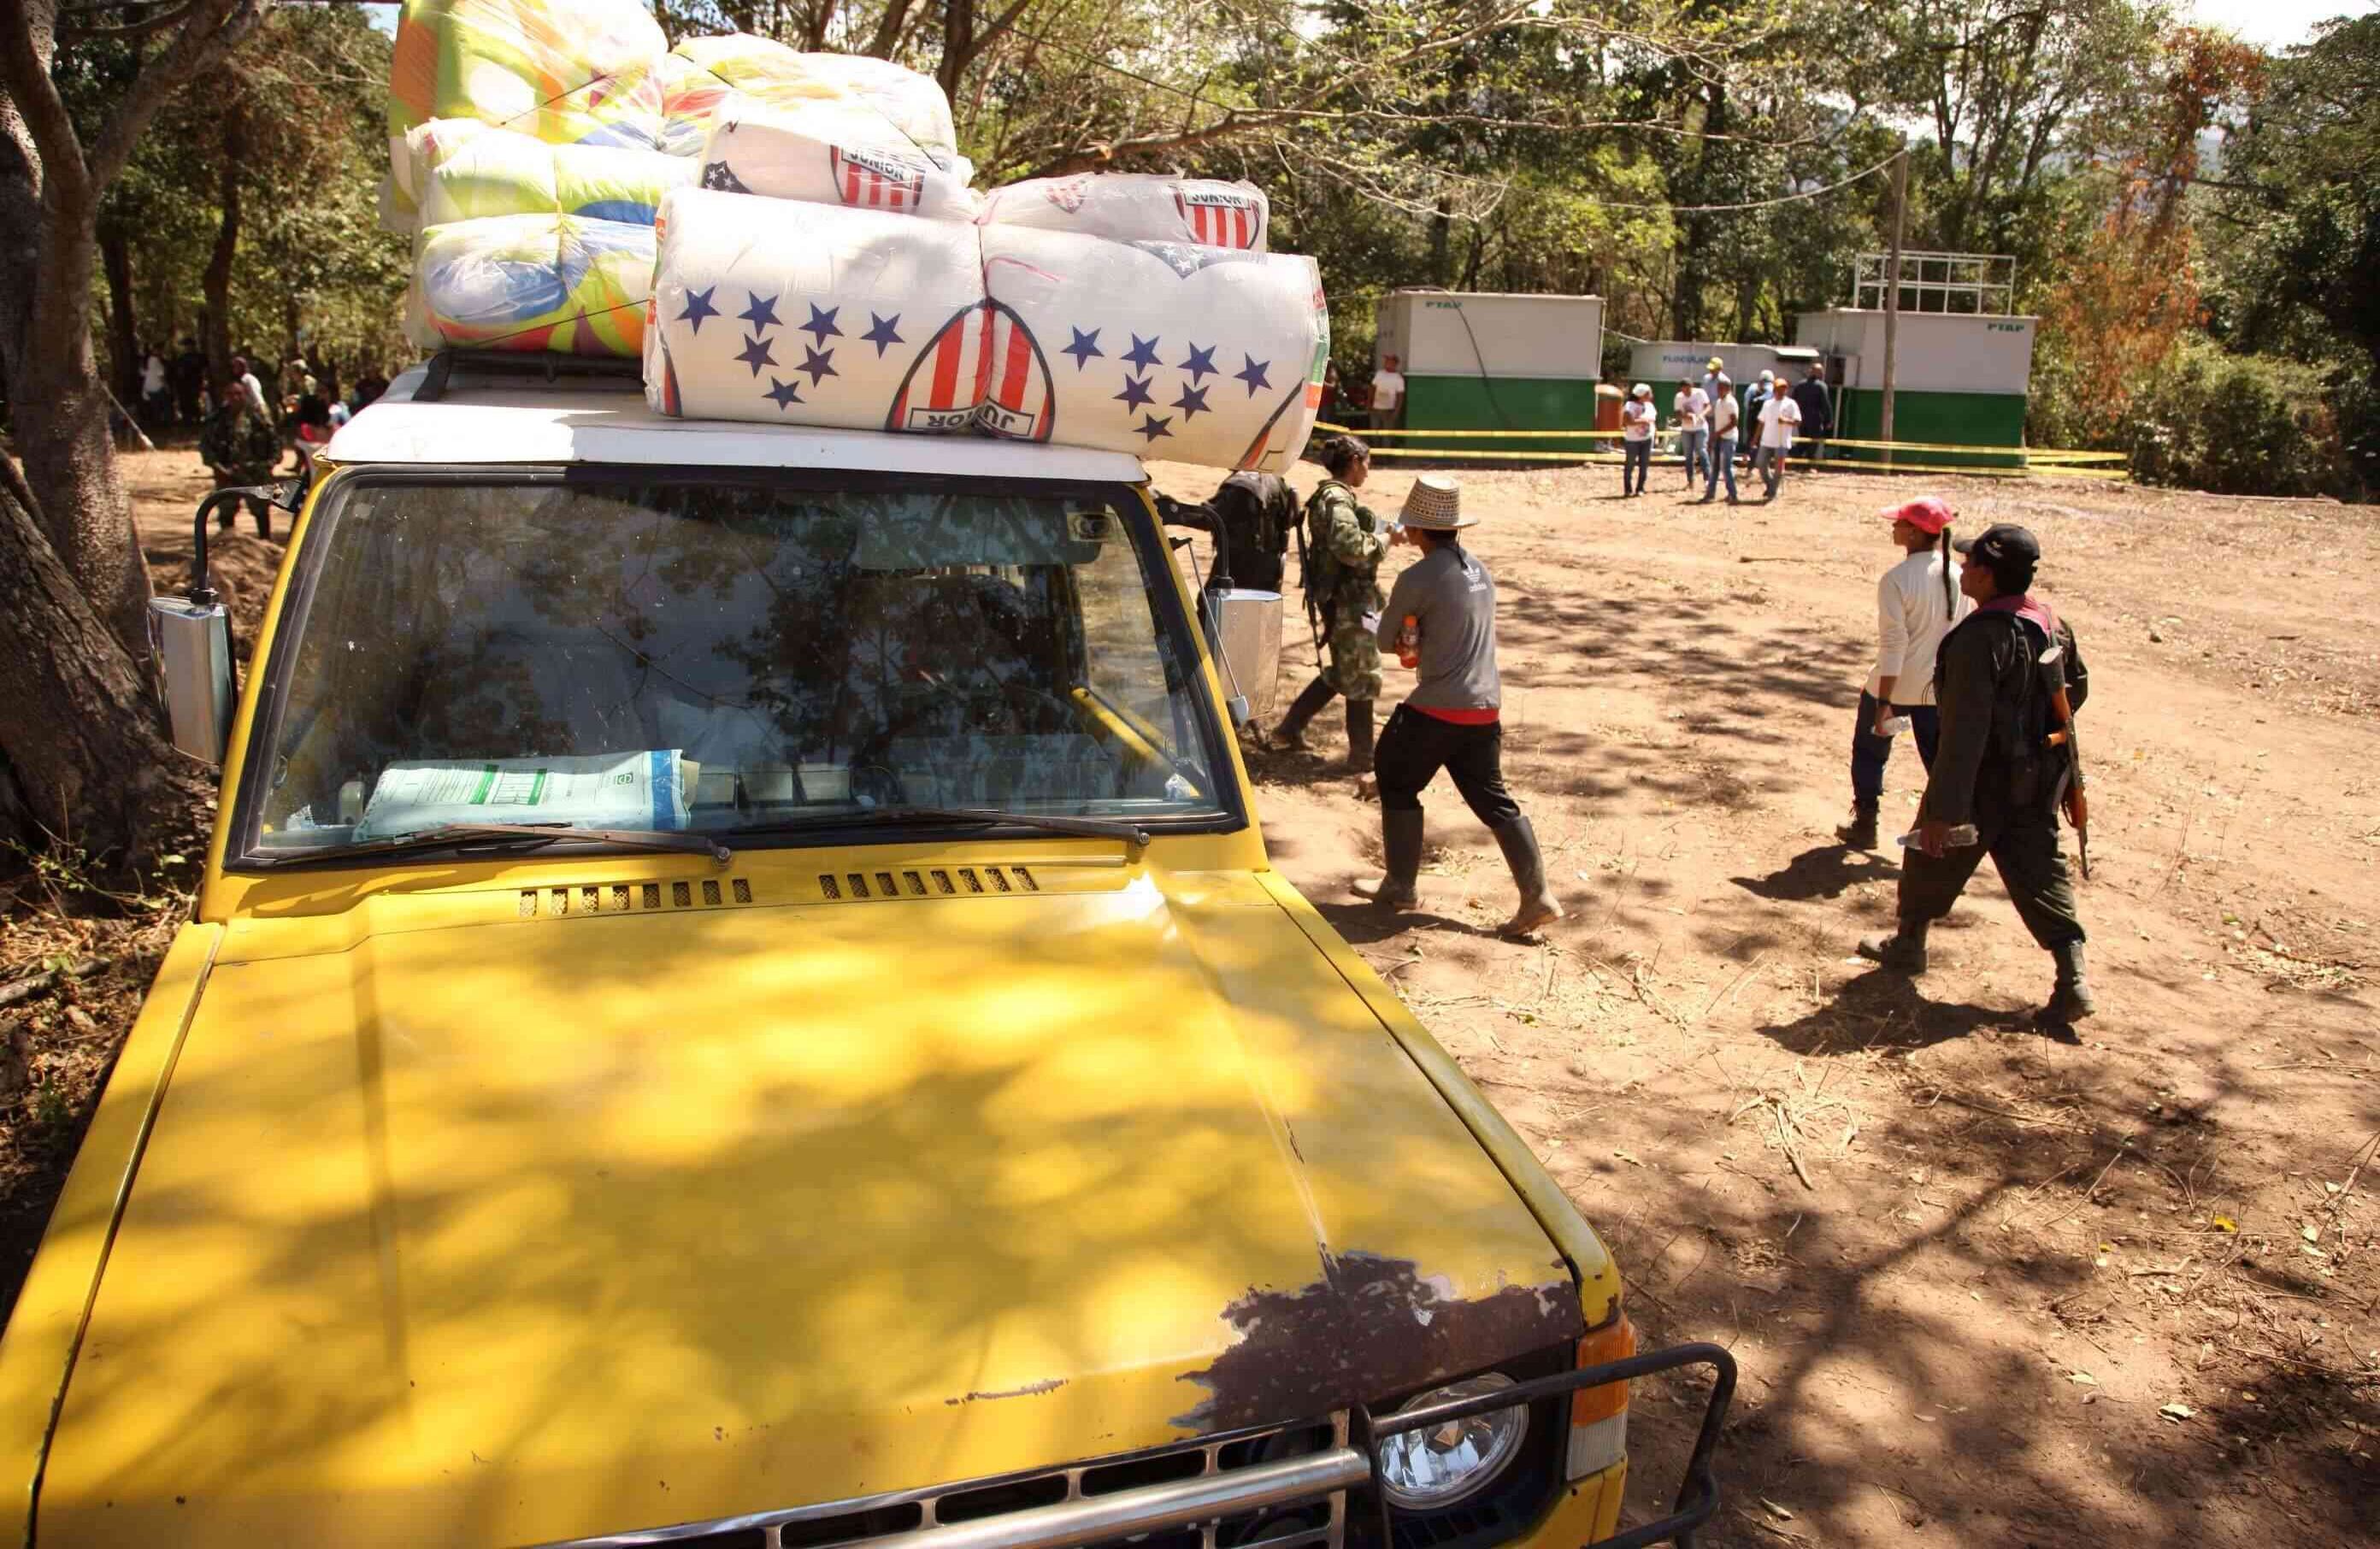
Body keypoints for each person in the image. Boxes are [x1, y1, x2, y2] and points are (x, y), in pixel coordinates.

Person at [1858, 523, 2095, 1025]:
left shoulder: (1978, 639)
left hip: (1980, 783)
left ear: (1987, 577)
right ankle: (2072, 978)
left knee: (1929, 856)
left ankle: (1908, 945)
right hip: (2035, 780)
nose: (1961, 569)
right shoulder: (2052, 623)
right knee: (2040, 872)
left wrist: (1944, 812)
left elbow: (1964, 734)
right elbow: (2076, 690)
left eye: (1970, 565)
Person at [1355, 475, 1564, 938]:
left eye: (1409, 526)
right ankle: (1538, 896)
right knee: (1494, 800)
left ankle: (1400, 885)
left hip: (1437, 706)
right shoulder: (1480, 570)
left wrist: (1410, 638)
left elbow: (1390, 642)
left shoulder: (1416, 577)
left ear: (1417, 530)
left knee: (1394, 775)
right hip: (1485, 708)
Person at [1836, 497, 1968, 849]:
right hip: (1939, 689)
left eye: (1898, 524)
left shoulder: (1896, 580)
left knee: (1870, 750)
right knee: (1940, 761)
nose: (1893, 527)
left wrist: (1884, 701)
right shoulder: (1962, 577)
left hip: (1896, 685)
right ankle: (1952, 832)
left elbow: (1894, 644)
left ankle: (1866, 821)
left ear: (1912, 534)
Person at [1271, 435, 1388, 772]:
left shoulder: (1333, 497)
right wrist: (1385, 541)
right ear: (1354, 463)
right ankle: (1362, 759)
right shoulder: (1337, 499)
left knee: (1343, 670)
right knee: (1362, 673)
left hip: (1345, 599)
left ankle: (1289, 729)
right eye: (1367, 463)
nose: (1368, 471)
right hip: (1349, 601)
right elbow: (1349, 547)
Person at [198, 374, 284, 533]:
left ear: (245, 394)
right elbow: (206, 447)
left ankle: (265, 542)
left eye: (239, 394)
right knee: (226, 510)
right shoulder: (217, 420)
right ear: (225, 397)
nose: (235, 398)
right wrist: (218, 467)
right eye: (230, 394)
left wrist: (271, 462)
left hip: (256, 473)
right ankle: (227, 542)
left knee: (261, 510)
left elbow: (274, 440)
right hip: (228, 473)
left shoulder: (257, 417)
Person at [1201, 468, 1296, 594]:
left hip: (1237, 569)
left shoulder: (1241, 484)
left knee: (1211, 609)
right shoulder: (1277, 480)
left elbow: (1209, 518)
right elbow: (1292, 519)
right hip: (1269, 571)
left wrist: (1174, 510)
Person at [1698, 374, 1741, 504]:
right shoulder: (1718, 402)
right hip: (1719, 437)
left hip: (1728, 438)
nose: (1719, 391)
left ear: (1728, 389)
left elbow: (1734, 422)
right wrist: (1713, 436)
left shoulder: (1730, 402)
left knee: (1726, 467)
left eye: (1722, 388)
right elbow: (1718, 421)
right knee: (1714, 468)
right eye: (1718, 388)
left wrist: (1718, 433)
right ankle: (1710, 494)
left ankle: (1733, 494)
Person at [1754, 381, 1801, 499]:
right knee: (1760, 464)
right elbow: (1761, 422)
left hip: (1782, 442)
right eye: (1779, 389)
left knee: (1779, 469)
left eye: (1784, 388)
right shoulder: (1767, 404)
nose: (1781, 391)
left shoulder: (1791, 404)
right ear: (1774, 390)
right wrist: (1755, 438)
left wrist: (1785, 421)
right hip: (1766, 441)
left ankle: (1772, 491)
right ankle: (1771, 486)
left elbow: (1798, 421)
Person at [1791, 363, 1833, 464]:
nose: (1822, 373)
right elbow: (1825, 404)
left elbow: (1793, 401)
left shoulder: (1799, 385)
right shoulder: (1821, 386)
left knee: (1803, 440)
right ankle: (1809, 464)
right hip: (1815, 419)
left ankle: (1796, 459)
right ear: (1816, 372)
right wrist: (1829, 420)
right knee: (1814, 441)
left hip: (1801, 418)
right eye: (1821, 371)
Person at [1673, 376, 1710, 488]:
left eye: (1687, 389)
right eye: (1683, 390)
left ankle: (1707, 478)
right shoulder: (1679, 397)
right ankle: (1690, 480)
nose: (1686, 392)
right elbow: (1677, 413)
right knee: (1688, 456)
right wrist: (1686, 416)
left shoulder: (1700, 393)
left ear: (1692, 387)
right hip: (1687, 429)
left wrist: (1701, 415)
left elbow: (1708, 406)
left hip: (1700, 427)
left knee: (1702, 451)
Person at [1620, 383, 1656, 496]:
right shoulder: (1629, 406)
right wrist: (1643, 421)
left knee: (1644, 465)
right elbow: (1628, 422)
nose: (1651, 395)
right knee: (1630, 465)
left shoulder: (1650, 406)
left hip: (1647, 439)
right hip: (1632, 441)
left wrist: (1656, 436)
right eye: (1648, 393)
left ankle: (1640, 488)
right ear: (1642, 394)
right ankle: (1628, 489)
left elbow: (1653, 421)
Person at [170, 337, 205, 425]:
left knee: (194, 401)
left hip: (194, 383)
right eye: (186, 346)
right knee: (185, 402)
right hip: (183, 384)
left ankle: (196, 419)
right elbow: (177, 371)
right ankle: (188, 420)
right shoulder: (181, 358)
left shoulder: (199, 357)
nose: (186, 348)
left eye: (188, 346)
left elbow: (203, 370)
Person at [1369, 353, 1406, 432]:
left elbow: (1400, 396)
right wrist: (1369, 403)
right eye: (1386, 361)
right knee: (1374, 432)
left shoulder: (1398, 378)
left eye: (1389, 361)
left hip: (1389, 410)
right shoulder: (1379, 374)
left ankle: (1386, 444)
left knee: (1387, 433)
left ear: (1394, 364)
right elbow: (1372, 388)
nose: (1386, 363)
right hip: (1376, 408)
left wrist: (1396, 411)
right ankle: (1375, 444)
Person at [1742, 371, 1774, 465]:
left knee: (1751, 438)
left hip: (1751, 416)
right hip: (1764, 419)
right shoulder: (1771, 388)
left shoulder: (1752, 387)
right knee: (1761, 440)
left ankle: (1748, 460)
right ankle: (1759, 463)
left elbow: (1746, 404)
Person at [229, 354, 270, 418]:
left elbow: (254, 393)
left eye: (235, 366)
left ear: (241, 367)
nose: (233, 369)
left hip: (257, 408)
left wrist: (258, 408)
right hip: (259, 407)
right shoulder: (250, 378)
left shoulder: (246, 379)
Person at [139, 345, 170, 428]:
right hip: (157, 386)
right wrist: (166, 386)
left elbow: (142, 373)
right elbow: (161, 375)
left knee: (155, 406)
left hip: (149, 386)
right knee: (165, 405)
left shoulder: (146, 361)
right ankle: (166, 423)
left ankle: (157, 424)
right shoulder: (156, 361)